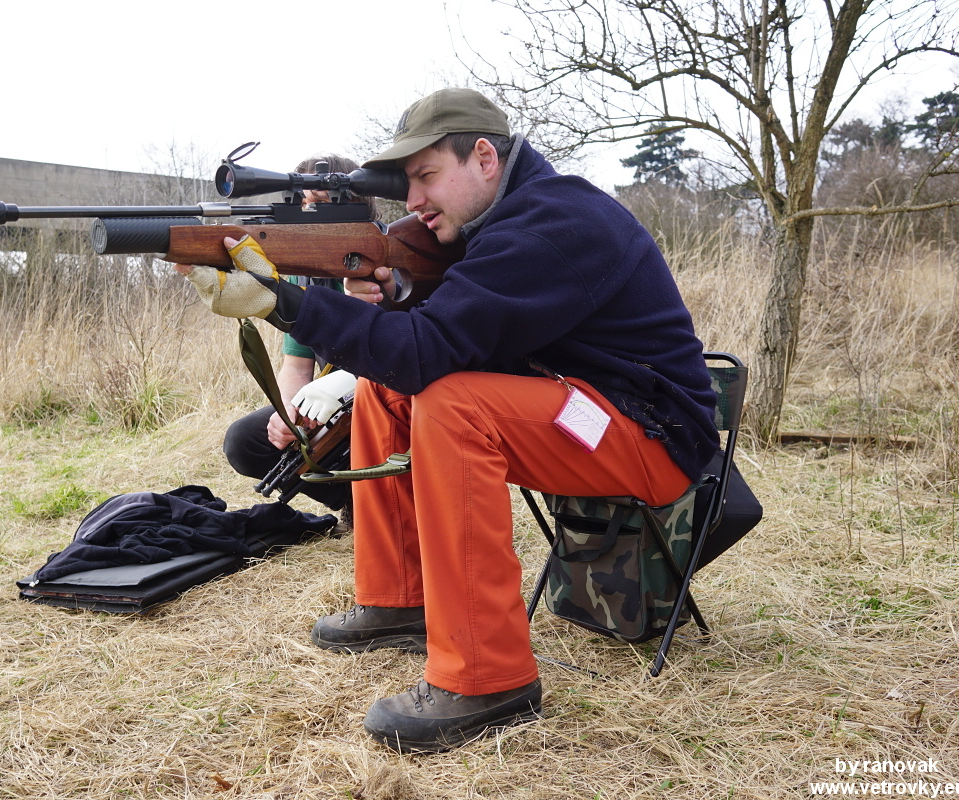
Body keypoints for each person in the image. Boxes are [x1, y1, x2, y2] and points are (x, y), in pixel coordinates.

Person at [176, 88, 719, 753]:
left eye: (426, 176)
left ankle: (488, 678)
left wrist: (283, 302)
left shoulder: (554, 221)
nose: (415, 201)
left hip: (647, 433)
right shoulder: (499, 223)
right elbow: (445, 337)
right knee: (387, 391)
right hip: (581, 405)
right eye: (406, 184)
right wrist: (389, 298)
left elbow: (428, 352)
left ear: (484, 157)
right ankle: (400, 599)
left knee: (453, 405)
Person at [221, 154, 378, 527]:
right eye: (303, 206)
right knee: (244, 442)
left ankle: (392, 499)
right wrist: (288, 412)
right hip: (324, 408)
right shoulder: (302, 275)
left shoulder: (388, 259)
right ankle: (355, 501)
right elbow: (296, 365)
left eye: (321, 205)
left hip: (382, 398)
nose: (309, 216)